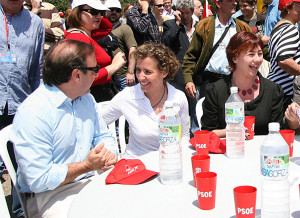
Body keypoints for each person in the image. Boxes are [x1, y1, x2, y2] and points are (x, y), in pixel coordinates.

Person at [10, 39, 118, 218]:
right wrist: (85, 166)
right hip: (49, 195)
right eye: (94, 70)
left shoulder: (86, 99)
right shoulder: (35, 111)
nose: (96, 74)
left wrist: (107, 155)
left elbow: (103, 136)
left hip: (91, 180)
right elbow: (38, 180)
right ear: (76, 75)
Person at [101, 43, 190, 158]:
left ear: (164, 72)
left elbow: (184, 136)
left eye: (148, 72)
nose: (140, 77)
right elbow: (97, 124)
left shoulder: (178, 97)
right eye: (138, 70)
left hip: (169, 162)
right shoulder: (127, 96)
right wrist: (109, 149)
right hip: (136, 165)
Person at [0, 0, 44, 216]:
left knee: (21, 166)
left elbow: (38, 69)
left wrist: (39, 105)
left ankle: (20, 213)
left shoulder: (35, 23)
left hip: (20, 104)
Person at [201, 31, 284, 137]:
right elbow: (207, 133)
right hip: (228, 151)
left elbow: (278, 132)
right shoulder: (215, 91)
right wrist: (231, 132)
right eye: (251, 54)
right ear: (235, 58)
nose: (258, 59)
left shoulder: (273, 91)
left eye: (260, 53)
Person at [182, 0, 252, 101]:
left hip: (234, 83)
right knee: (209, 115)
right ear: (219, 4)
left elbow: (257, 48)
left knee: (234, 115)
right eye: (230, 1)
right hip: (209, 83)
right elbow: (191, 56)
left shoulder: (242, 27)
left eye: (235, 0)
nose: (235, 3)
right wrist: (188, 80)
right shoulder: (204, 25)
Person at [65, 0, 126, 102]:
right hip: (93, 94)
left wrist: (101, 5)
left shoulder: (86, 34)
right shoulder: (79, 38)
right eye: (93, 12)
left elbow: (107, 28)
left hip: (97, 92)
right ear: (78, 12)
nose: (99, 16)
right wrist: (114, 66)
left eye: (101, 12)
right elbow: (83, 78)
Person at [162, 0, 198, 135]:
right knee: (176, 107)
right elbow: (166, 42)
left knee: (195, 107)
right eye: (181, 13)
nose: (184, 16)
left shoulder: (199, 26)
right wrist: (176, 24)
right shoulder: (170, 25)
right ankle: (177, 133)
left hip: (195, 74)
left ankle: (195, 134)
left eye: (187, 13)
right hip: (177, 76)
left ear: (192, 12)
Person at [267, 0, 300, 111]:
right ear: (288, 8)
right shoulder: (291, 29)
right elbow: (284, 59)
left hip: (277, 88)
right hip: (287, 92)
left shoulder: (278, 27)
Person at [106, 0, 137, 90]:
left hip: (122, 76)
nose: (114, 12)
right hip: (106, 76)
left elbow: (132, 49)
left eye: (117, 10)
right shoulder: (98, 29)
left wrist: (130, 72)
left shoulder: (124, 28)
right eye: (111, 9)